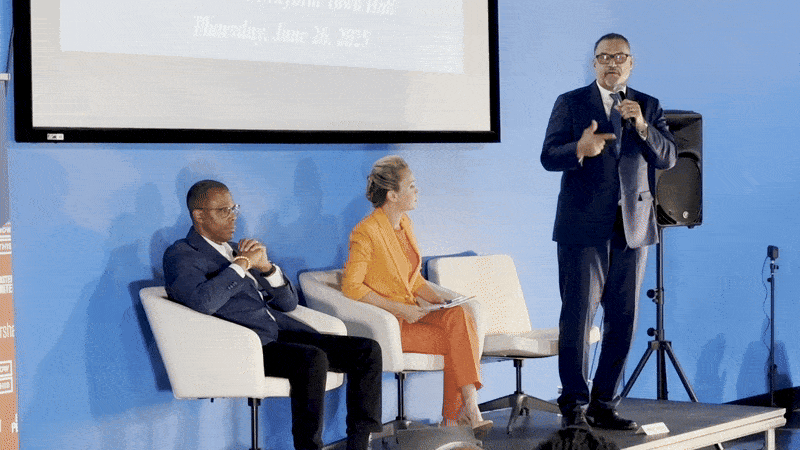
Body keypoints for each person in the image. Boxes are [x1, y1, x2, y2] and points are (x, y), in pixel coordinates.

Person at [163, 180, 383, 450]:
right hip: (244, 343)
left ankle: (361, 443)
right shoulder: (181, 254)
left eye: (234, 209)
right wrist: (241, 264)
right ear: (198, 215)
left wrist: (266, 268)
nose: (233, 217)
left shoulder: (236, 248)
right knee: (312, 359)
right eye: (223, 211)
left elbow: (288, 303)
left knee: (367, 350)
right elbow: (203, 302)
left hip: (278, 331)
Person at [540, 33, 676, 430]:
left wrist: (643, 125)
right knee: (579, 317)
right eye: (603, 57)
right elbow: (549, 155)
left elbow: (667, 158)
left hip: (632, 229)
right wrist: (579, 149)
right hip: (583, 229)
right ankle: (574, 403)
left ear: (631, 63)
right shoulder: (571, 102)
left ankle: (604, 403)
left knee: (623, 319)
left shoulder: (647, 105)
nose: (611, 63)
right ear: (594, 64)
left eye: (619, 57)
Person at [341, 156, 492, 434]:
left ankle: (465, 410)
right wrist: (400, 310)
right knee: (458, 341)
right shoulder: (365, 232)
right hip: (391, 324)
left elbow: (413, 280)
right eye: (411, 186)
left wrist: (440, 299)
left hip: (414, 314)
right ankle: (457, 416)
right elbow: (352, 287)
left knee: (460, 315)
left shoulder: (405, 224)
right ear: (392, 194)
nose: (417, 191)